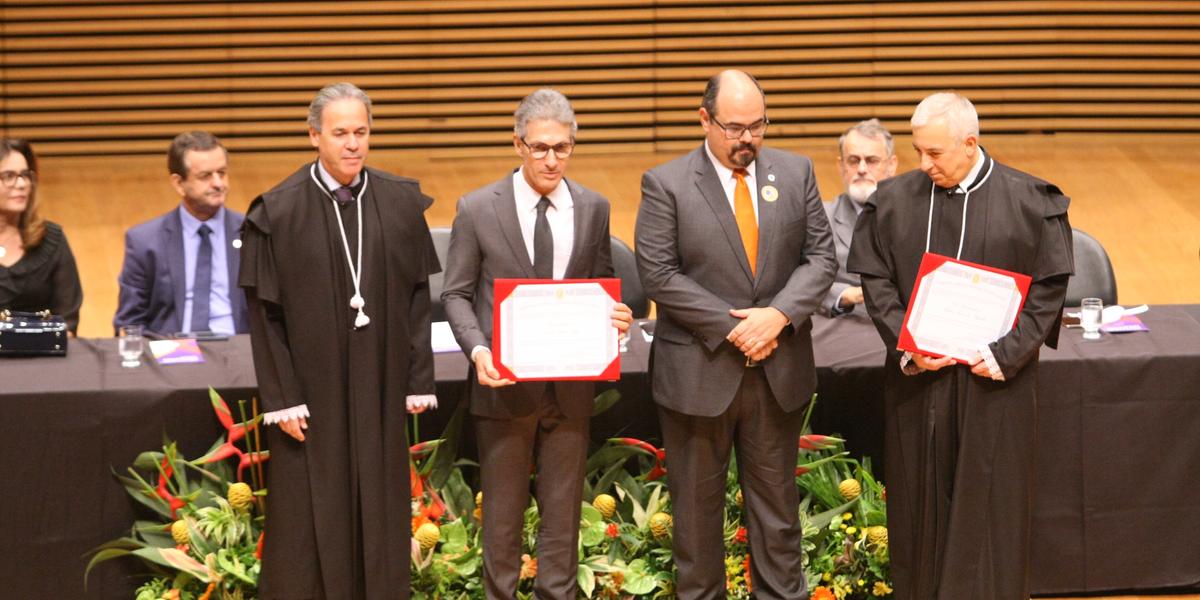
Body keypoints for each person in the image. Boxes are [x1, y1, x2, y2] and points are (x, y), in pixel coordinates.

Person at [847, 92, 1073, 599]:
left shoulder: (1030, 202)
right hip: (917, 386)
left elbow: (1048, 291)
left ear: (970, 144)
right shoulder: (894, 200)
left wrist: (1005, 353)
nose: (923, 164)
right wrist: (906, 345)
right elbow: (877, 280)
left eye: (935, 154)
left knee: (991, 517)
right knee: (918, 511)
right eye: (918, 151)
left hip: (995, 388)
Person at [634, 70, 837, 599]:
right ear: (705, 119)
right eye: (735, 127)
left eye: (758, 125)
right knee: (697, 529)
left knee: (778, 521)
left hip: (779, 372)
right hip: (699, 378)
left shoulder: (796, 173)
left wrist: (778, 316)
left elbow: (821, 258)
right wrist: (737, 329)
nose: (747, 138)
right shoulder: (667, 183)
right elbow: (659, 275)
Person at [238, 82, 439, 599]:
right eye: (341, 133)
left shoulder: (398, 201)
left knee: (379, 508)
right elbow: (265, 316)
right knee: (308, 519)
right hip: (313, 394)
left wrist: (417, 377)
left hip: (379, 387)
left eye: (362, 132)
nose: (353, 144)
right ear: (314, 136)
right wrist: (282, 399)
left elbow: (419, 298)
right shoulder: (277, 212)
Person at [441, 88, 633, 599]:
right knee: (501, 524)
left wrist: (617, 317)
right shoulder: (479, 207)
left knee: (563, 520)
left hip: (571, 388)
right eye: (541, 147)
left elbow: (603, 285)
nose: (552, 159)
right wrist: (479, 351)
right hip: (503, 388)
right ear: (518, 144)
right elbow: (456, 295)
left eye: (562, 148)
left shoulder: (594, 206)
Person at [114, 131, 249, 336]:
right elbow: (129, 323)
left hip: (239, 349)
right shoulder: (144, 241)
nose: (218, 184)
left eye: (221, 173)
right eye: (205, 176)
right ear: (179, 183)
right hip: (173, 352)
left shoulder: (252, 234)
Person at [0, 139, 83, 334]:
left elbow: (67, 322)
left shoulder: (50, 238)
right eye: (8, 176)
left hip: (41, 358)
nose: (21, 184)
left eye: (25, 175)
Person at [822, 118, 898, 318]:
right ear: (841, 167)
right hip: (843, 322)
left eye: (872, 161)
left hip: (901, 323)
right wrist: (845, 295)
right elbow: (799, 279)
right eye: (853, 161)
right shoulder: (820, 217)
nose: (862, 169)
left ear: (891, 166)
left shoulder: (915, 217)